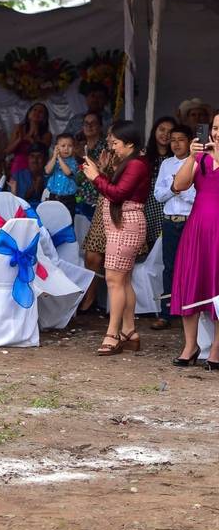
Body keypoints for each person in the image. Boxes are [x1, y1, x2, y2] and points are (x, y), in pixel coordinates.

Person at [82, 121, 150, 356]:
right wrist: (99, 173)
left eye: (116, 143)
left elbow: (117, 194)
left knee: (113, 280)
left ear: (130, 143)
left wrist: (95, 177)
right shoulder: (130, 163)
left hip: (127, 223)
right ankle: (129, 332)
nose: (112, 148)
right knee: (123, 280)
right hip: (120, 223)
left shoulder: (137, 165)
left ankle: (112, 334)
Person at [169, 112, 219, 368]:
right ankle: (190, 345)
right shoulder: (200, 158)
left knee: (217, 285)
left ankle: (217, 350)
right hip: (198, 229)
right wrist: (191, 157)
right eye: (215, 127)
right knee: (191, 281)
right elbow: (178, 186)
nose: (217, 132)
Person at [153, 125, 195, 331]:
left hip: (190, 220)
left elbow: (199, 197)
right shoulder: (167, 164)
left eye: (181, 139)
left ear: (190, 141)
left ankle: (190, 310)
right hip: (170, 220)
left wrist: (181, 190)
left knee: (190, 266)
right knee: (169, 266)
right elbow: (158, 194)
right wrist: (174, 188)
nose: (176, 144)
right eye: (173, 140)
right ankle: (166, 311)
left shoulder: (197, 163)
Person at [78, 120, 113, 314]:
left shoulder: (131, 160)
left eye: (112, 137)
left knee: (112, 260)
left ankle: (104, 303)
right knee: (91, 255)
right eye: (109, 137)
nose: (109, 140)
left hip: (118, 210)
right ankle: (90, 296)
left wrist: (99, 172)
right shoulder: (105, 154)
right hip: (102, 207)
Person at [143, 116, 177, 249]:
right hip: (148, 210)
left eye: (170, 132)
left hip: (169, 211)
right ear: (154, 131)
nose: (165, 134)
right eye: (162, 129)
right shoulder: (143, 155)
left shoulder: (177, 158)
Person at [5, 102, 52, 178]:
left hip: (36, 167)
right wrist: (19, 140)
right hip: (18, 165)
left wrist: (33, 136)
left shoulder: (47, 134)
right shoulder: (19, 128)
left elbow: (43, 153)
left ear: (44, 117)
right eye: (35, 110)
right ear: (29, 113)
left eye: (40, 112)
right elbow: (7, 151)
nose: (37, 113)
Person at [44, 133, 79, 216]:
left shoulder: (73, 162)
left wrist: (59, 158)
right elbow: (47, 171)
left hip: (68, 199)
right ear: (57, 147)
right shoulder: (53, 161)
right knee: (53, 219)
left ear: (73, 148)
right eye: (63, 146)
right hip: (53, 197)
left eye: (70, 146)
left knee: (67, 220)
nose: (66, 149)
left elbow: (68, 172)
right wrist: (54, 157)